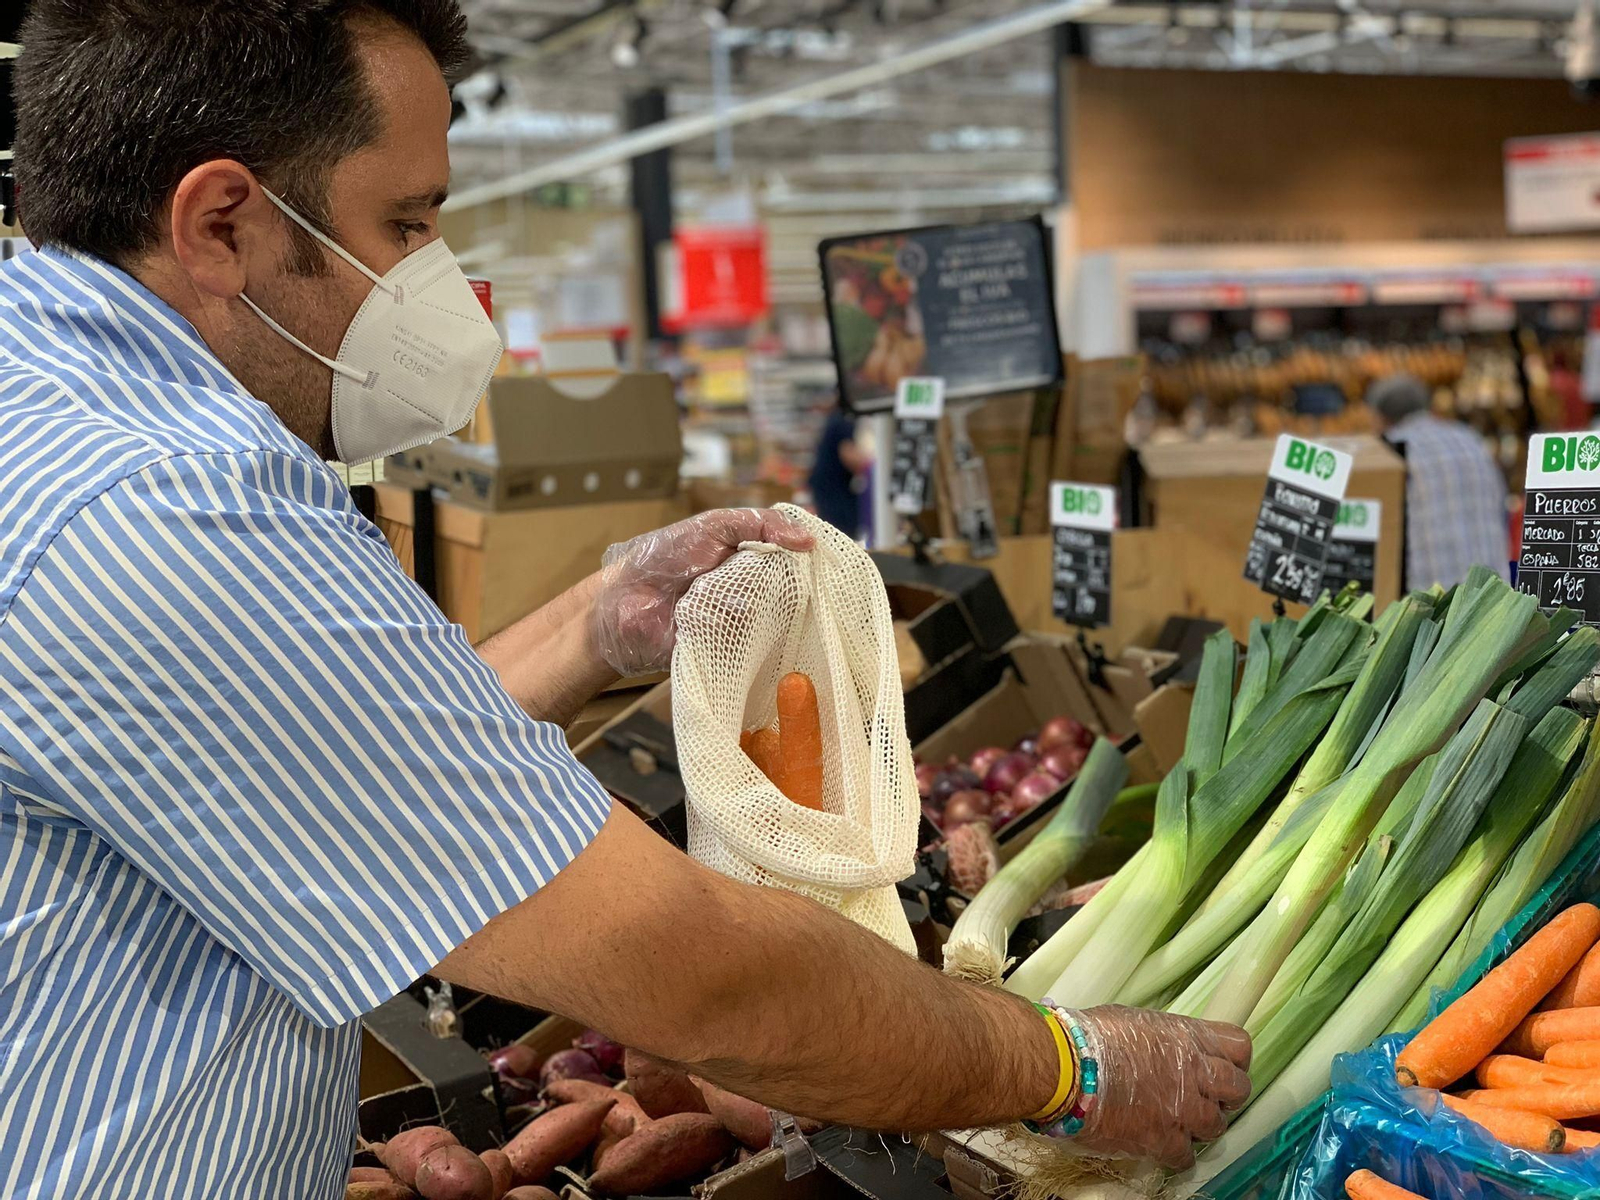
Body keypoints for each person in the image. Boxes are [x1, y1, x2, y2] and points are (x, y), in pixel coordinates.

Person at [0, 3, 1249, 1195]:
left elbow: (337, 760)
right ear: (222, 225)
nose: (433, 277)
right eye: (407, 223)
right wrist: (1066, 1069)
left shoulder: (54, 398)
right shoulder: (174, 506)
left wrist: (594, 623)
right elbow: (692, 979)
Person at [1367, 372, 1510, 590]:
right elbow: (1501, 503)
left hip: (1434, 599)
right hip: (1494, 594)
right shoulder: (1469, 438)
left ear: (1381, 417)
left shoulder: (1390, 450)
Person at [809, 398, 869, 537]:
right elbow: (849, 455)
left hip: (829, 486)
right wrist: (874, 467)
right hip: (835, 491)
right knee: (841, 535)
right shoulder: (844, 420)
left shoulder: (837, 418)